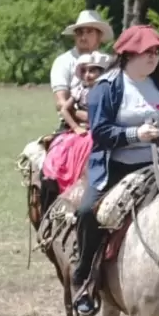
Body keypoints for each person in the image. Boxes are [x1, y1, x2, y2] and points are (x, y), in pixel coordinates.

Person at [71, 25, 159, 314]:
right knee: (88, 212)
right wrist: (137, 134)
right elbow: (101, 134)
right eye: (148, 52)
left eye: (157, 52)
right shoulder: (106, 88)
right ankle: (84, 280)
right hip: (116, 169)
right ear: (128, 54)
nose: (153, 57)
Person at [41, 52, 110, 205]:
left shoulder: (108, 91)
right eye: (84, 71)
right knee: (62, 149)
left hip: (100, 129)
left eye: (92, 71)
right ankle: (58, 180)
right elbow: (64, 109)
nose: (88, 75)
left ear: (101, 72)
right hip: (84, 130)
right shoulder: (80, 91)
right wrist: (75, 126)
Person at [50, 9, 114, 122]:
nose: (83, 37)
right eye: (79, 32)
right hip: (74, 124)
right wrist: (89, 118)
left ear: (99, 36)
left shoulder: (109, 62)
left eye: (89, 31)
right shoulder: (63, 62)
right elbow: (61, 103)